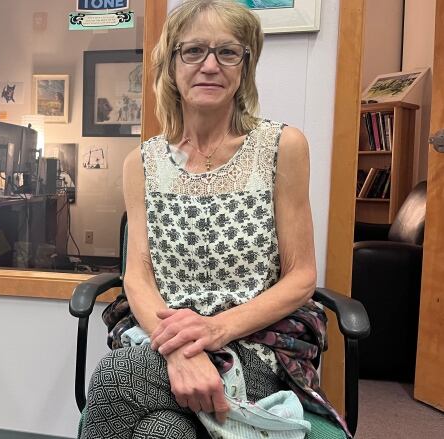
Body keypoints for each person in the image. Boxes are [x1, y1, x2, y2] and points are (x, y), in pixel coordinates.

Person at [79, 1, 349, 438]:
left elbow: (302, 275)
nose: (210, 65)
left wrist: (214, 329)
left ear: (245, 66)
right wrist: (182, 351)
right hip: (162, 344)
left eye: (227, 52)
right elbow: (139, 276)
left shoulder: (282, 147)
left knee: (117, 377)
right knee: (162, 432)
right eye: (193, 51)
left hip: (257, 346)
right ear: (171, 63)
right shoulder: (141, 163)